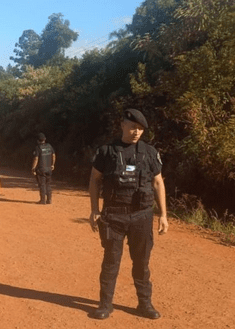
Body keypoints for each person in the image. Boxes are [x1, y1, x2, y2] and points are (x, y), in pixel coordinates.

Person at [88, 109, 168, 320]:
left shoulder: (150, 152)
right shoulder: (107, 151)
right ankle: (105, 305)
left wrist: (163, 215)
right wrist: (95, 210)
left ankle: (145, 304)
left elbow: (158, 182)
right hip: (113, 215)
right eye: (133, 127)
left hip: (141, 216)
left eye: (140, 129)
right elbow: (94, 180)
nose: (136, 132)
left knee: (141, 263)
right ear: (122, 125)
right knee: (111, 261)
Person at [31, 133, 55, 204]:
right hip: (49, 169)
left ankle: (43, 200)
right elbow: (53, 155)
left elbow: (36, 158)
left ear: (38, 141)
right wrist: (53, 164)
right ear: (45, 139)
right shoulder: (49, 146)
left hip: (41, 169)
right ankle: (49, 199)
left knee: (42, 184)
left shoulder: (38, 148)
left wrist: (33, 168)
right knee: (48, 184)